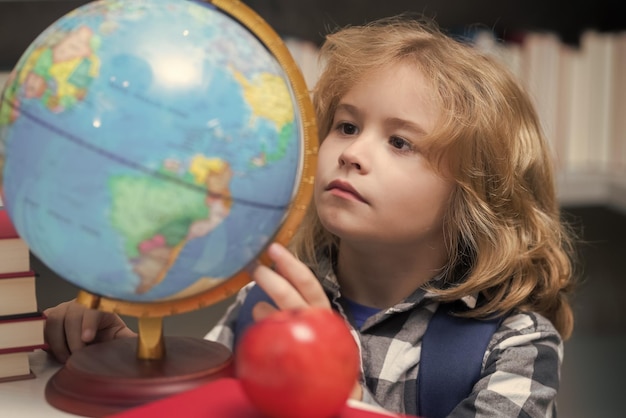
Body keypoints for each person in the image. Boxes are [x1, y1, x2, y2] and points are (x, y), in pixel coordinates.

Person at [43, 15, 577, 417]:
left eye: (398, 141)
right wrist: (126, 357)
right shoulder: (266, 300)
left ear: (476, 193)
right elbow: (212, 404)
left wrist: (343, 400)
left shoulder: (516, 344)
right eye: (346, 126)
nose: (353, 153)